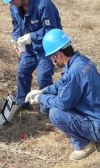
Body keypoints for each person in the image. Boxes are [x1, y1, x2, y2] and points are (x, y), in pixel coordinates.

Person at [25, 29, 100, 160]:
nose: (52, 61)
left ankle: (84, 144)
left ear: (58, 55)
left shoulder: (74, 72)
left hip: (97, 125)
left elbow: (62, 103)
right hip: (95, 114)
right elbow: (62, 84)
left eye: (51, 57)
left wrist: (41, 98)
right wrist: (43, 91)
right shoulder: (81, 61)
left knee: (55, 113)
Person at [0, 0, 62, 108]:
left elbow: (52, 31)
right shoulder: (14, 7)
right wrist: (16, 40)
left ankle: (47, 107)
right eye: (9, 1)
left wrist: (31, 36)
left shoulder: (43, 4)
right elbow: (16, 25)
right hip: (29, 47)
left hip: (47, 48)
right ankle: (22, 103)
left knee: (43, 77)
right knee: (22, 71)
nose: (11, 3)